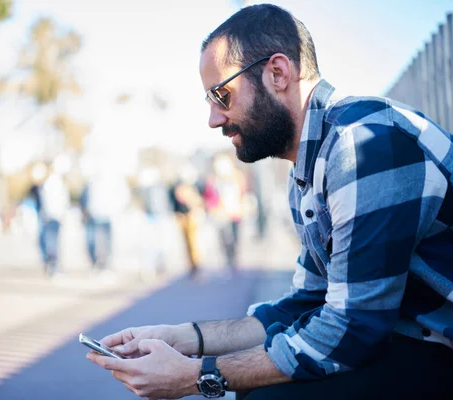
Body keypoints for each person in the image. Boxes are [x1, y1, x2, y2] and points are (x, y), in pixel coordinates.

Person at [86, 4, 453, 399]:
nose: (213, 119)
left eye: (220, 95)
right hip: (410, 338)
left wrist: (198, 376)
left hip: (438, 350)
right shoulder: (309, 168)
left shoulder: (364, 143)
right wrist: (183, 338)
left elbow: (353, 329)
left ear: (277, 73)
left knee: (264, 391)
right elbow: (306, 302)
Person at [204, 154, 247, 274]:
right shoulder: (213, 180)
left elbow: (243, 193)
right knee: (224, 239)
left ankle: (234, 260)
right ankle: (228, 262)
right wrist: (213, 207)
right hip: (221, 214)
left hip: (235, 213)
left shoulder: (237, 177)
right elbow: (209, 197)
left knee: (234, 238)